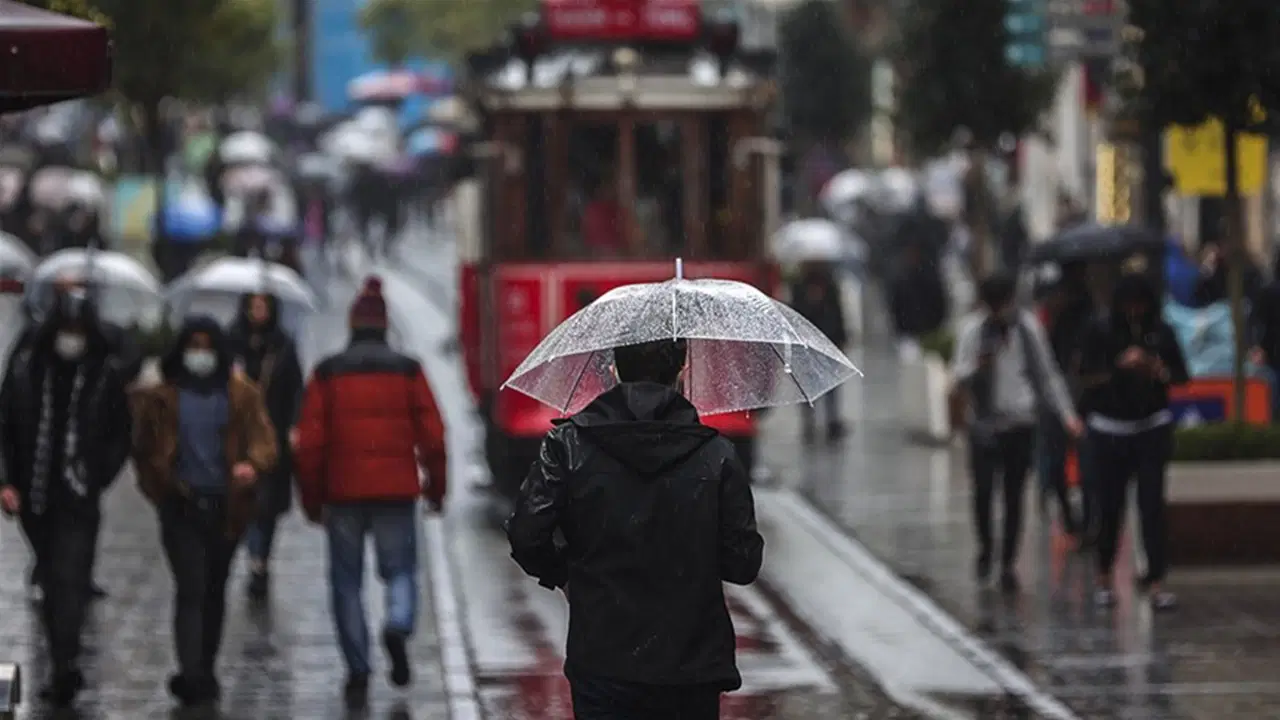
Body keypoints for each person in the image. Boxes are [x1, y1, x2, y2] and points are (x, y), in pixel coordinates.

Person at [506, 338, 764, 720]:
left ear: (614, 371)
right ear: (682, 371)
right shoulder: (716, 455)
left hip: (603, 660)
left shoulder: (569, 445)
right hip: (690, 665)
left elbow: (527, 534)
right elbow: (743, 564)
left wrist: (566, 576)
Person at [293, 276, 448, 709]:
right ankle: (398, 623)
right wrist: (436, 489)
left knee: (346, 582)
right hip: (396, 490)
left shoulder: (327, 373)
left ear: (351, 325)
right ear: (384, 326)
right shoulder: (408, 370)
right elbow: (434, 437)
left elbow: (309, 445)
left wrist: (312, 500)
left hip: (342, 494)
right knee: (401, 570)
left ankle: (358, 667)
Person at [131, 316, 277, 706]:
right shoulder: (164, 397)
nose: (200, 354)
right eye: (193, 346)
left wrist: (251, 466)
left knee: (214, 588)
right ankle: (191, 671)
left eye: (207, 346)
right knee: (191, 587)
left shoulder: (241, 394)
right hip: (180, 506)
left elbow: (264, 440)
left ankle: (205, 667)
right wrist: (159, 487)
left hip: (226, 507)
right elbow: (143, 448)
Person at [0, 287, 132, 706]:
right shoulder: (25, 371)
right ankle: (60, 656)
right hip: (34, 497)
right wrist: (6, 481)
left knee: (70, 580)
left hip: (78, 499)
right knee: (52, 576)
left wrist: (96, 476)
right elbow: (5, 428)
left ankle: (63, 664)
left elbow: (120, 433)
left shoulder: (103, 377)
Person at [951, 274, 1083, 592]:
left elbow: (1046, 374)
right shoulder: (973, 331)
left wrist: (1067, 416)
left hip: (1020, 424)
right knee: (983, 492)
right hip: (983, 424)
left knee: (1014, 495)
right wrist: (978, 367)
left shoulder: (1026, 329)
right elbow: (958, 374)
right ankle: (986, 548)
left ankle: (1008, 562)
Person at [1078, 271, 1189, 610]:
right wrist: (1118, 368)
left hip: (1151, 427)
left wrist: (1155, 368)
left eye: (1140, 306)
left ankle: (1155, 580)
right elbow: (1084, 377)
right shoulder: (1100, 330)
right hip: (1110, 430)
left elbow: (1181, 376)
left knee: (1152, 506)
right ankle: (1104, 577)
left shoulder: (1161, 333)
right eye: (1129, 306)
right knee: (1110, 507)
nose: (1134, 313)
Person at [229, 293, 304, 602]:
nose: (258, 312)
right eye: (253, 306)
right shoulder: (232, 342)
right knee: (244, 500)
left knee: (267, 505)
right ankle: (254, 556)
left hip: (273, 434)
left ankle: (259, 560)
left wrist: (294, 425)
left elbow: (296, 388)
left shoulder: (283, 345)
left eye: (263, 307)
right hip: (238, 435)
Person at [1036, 263, 1093, 540]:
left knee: (1083, 462)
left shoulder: (1085, 316)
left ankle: (1084, 519)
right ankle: (1070, 515)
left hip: (1079, 396)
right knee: (1057, 461)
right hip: (1057, 399)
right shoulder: (1050, 319)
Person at [789, 262, 850, 442]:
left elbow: (837, 313)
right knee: (807, 386)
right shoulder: (799, 287)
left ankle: (832, 422)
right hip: (807, 344)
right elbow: (796, 315)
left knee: (831, 386)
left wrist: (841, 337)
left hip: (828, 342)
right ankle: (809, 424)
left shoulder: (830, 286)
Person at [888, 239, 948, 355]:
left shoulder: (930, 278)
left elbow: (939, 303)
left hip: (929, 333)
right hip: (908, 335)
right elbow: (896, 307)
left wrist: (935, 327)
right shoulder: (901, 280)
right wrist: (901, 329)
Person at [582, 175, 625, 256]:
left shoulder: (616, 210)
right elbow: (588, 232)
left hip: (611, 250)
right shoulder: (592, 209)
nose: (610, 191)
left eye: (611, 188)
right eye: (607, 188)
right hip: (598, 250)